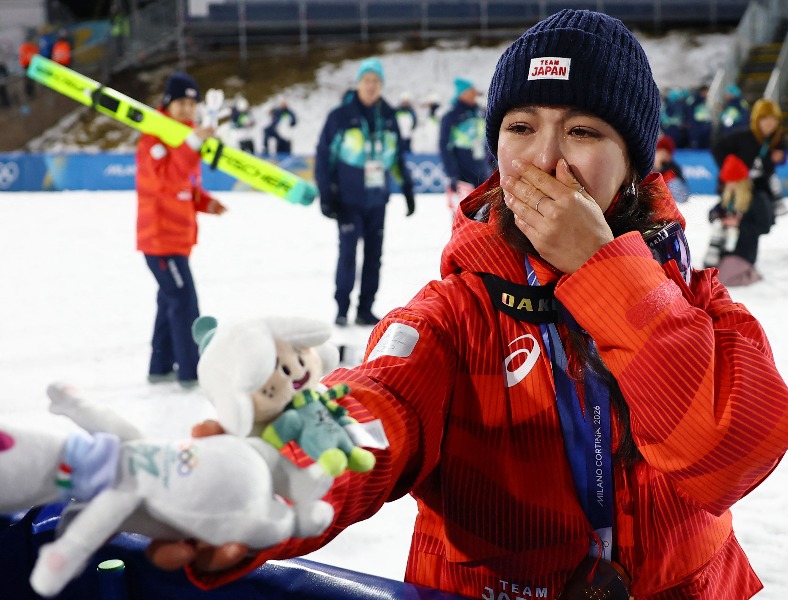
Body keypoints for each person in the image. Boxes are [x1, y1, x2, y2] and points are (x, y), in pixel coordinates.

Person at [150, 10, 788, 600]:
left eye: (584, 131)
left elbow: (729, 455)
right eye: (521, 127)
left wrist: (605, 272)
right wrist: (281, 469)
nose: (544, 159)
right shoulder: (456, 313)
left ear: (633, 164)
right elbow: (380, 401)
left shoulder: (697, 301)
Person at [136, 71, 226, 388]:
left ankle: (159, 367)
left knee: (169, 303)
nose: (187, 109)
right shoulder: (153, 140)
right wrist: (191, 143)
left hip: (179, 240)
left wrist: (206, 203)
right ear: (167, 104)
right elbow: (164, 182)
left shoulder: (188, 140)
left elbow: (185, 188)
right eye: (181, 102)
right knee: (185, 303)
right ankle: (191, 371)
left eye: (192, 103)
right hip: (160, 242)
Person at [314, 57, 416, 327]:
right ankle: (342, 307)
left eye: (376, 81)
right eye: (366, 80)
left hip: (377, 199)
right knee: (348, 254)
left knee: (374, 256)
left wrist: (406, 188)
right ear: (358, 83)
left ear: (381, 85)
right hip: (347, 199)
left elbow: (396, 158)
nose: (371, 86)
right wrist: (326, 194)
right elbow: (324, 158)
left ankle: (365, 308)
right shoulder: (341, 116)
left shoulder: (390, 116)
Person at [708, 97, 784, 285]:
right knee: (742, 223)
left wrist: (780, 157)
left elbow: (776, 159)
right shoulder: (743, 137)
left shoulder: (774, 140)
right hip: (739, 190)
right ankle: (736, 263)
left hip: (759, 190)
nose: (769, 124)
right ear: (756, 120)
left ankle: (740, 262)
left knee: (758, 224)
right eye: (765, 119)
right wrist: (730, 173)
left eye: (773, 120)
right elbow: (717, 148)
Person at [439, 77, 493, 212]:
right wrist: (452, 173)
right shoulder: (451, 116)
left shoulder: (480, 112)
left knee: (484, 215)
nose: (475, 93)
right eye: (471, 90)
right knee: (464, 214)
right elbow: (444, 146)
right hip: (462, 173)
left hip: (483, 171)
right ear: (462, 93)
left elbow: (488, 140)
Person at [653, 134, 689, 203]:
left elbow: (682, 198)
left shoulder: (672, 174)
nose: (656, 156)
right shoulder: (648, 170)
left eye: (659, 153)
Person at [394, 91, 417, 156]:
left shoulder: (411, 112)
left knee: (407, 153)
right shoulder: (397, 111)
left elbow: (414, 123)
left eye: (407, 102)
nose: (405, 103)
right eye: (404, 102)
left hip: (407, 137)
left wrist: (410, 131)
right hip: (398, 137)